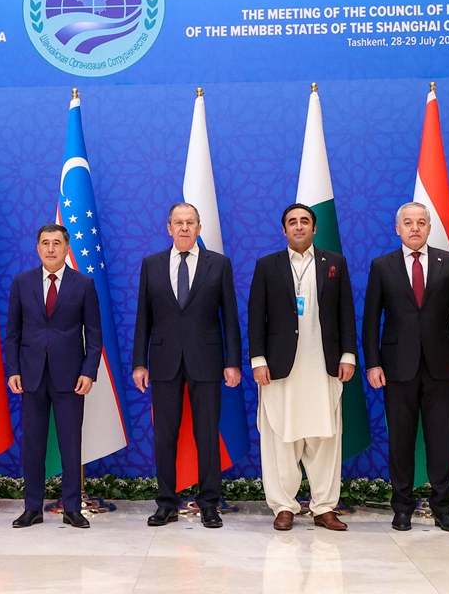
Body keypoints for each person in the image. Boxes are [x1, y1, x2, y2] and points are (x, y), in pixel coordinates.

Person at [362, 202, 449, 533]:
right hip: (397, 367)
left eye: (421, 223)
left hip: (442, 365)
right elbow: (371, 320)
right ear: (398, 229)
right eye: (408, 223)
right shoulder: (382, 266)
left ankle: (443, 507)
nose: (415, 228)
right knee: (401, 440)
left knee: (441, 439)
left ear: (429, 228)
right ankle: (402, 507)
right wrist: (373, 363)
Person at [247, 204, 356, 532]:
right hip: (280, 368)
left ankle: (324, 507)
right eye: (292, 222)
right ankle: (284, 506)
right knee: (282, 437)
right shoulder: (267, 266)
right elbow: (255, 317)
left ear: (314, 228)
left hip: (324, 366)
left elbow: (346, 312)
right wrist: (258, 360)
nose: (298, 227)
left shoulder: (334, 263)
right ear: (284, 230)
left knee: (324, 439)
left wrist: (348, 355)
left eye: (304, 221)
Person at [132, 202, 242, 529]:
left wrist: (232, 362)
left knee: (207, 435)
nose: (183, 228)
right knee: (165, 436)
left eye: (189, 222)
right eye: (178, 223)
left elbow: (230, 318)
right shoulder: (151, 265)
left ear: (199, 228)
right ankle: (167, 503)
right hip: (164, 362)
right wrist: (140, 362)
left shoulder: (218, 264)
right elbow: (143, 319)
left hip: (207, 362)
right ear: (168, 228)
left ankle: (209, 503)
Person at [5, 224, 101, 529]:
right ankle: (32, 508)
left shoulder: (83, 284)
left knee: (70, 444)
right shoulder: (22, 282)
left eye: (56, 243)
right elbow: (12, 334)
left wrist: (89, 372)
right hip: (31, 376)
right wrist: (13, 370)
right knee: (33, 444)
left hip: (70, 377)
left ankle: (72, 507)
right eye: (45, 243)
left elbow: (95, 334)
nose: (50, 249)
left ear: (66, 247)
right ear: (37, 248)